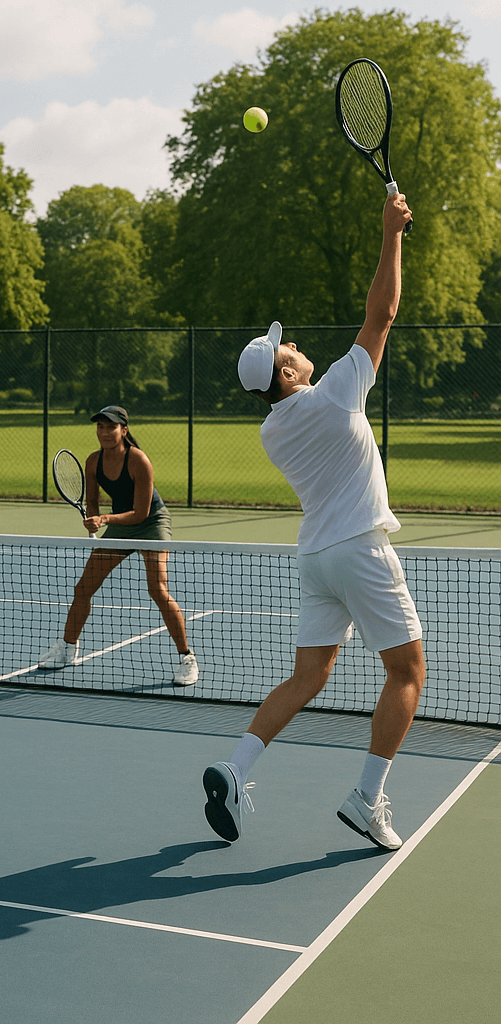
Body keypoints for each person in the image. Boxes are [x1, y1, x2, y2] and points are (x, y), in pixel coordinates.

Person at [203, 193, 421, 851]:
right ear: (285, 372)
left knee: (309, 674)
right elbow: (381, 314)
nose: (292, 342)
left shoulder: (274, 430)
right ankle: (367, 798)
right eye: (285, 347)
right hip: (358, 550)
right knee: (408, 672)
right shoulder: (333, 395)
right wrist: (391, 233)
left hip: (316, 560)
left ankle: (236, 770)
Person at [38, 405, 199, 686]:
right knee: (83, 588)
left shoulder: (139, 461)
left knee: (158, 590)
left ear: (123, 430)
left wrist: (104, 518)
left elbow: (141, 513)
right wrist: (91, 520)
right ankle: (67, 648)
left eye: (110, 427)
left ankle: (187, 658)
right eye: (100, 427)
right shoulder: (92, 462)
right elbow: (92, 504)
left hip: (151, 524)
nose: (104, 432)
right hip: (119, 524)